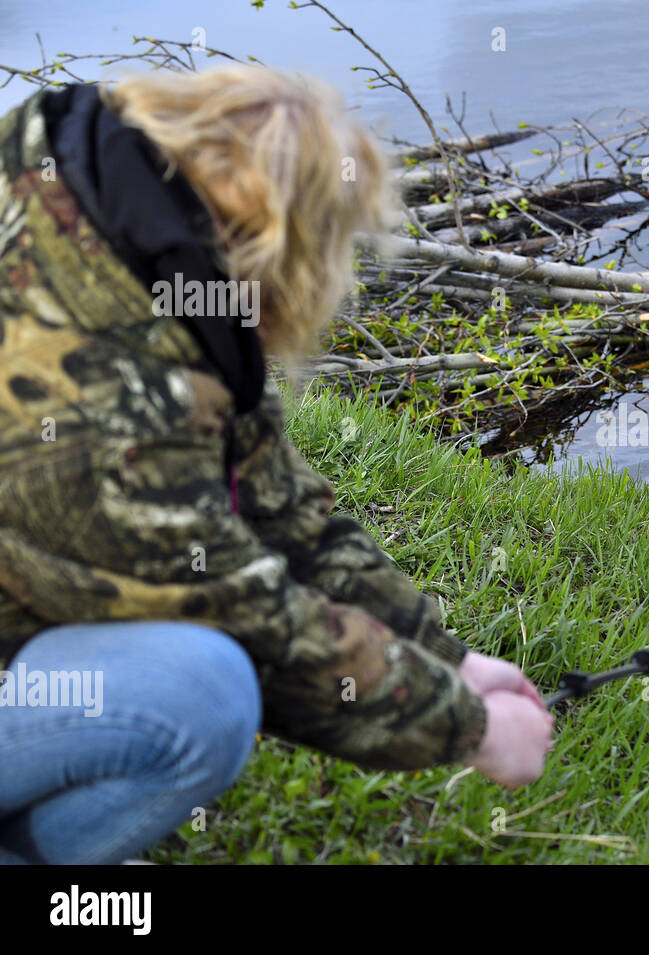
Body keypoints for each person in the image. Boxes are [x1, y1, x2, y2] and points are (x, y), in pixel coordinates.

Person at [0, 66, 553, 864]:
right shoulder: (98, 389)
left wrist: (447, 655)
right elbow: (240, 611)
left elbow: (275, 506)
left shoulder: (112, 237)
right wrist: (470, 727)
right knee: (200, 692)